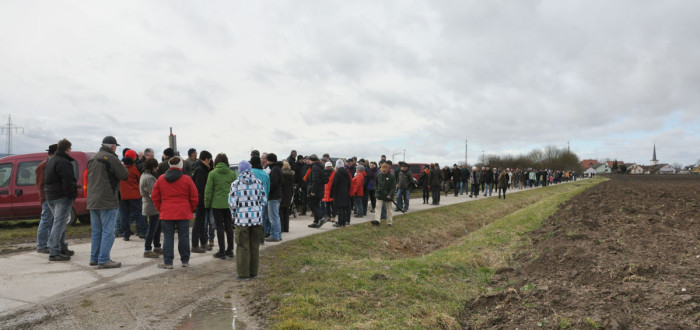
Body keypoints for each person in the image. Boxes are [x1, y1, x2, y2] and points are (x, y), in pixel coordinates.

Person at [87, 136, 129, 269]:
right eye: (116, 146)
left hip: (93, 198)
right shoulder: (111, 158)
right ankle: (104, 259)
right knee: (108, 231)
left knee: (96, 231)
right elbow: (124, 175)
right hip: (107, 198)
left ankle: (94, 258)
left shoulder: (92, 158)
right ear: (112, 146)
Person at [151, 157, 197, 268]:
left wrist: (160, 208)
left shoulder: (161, 179)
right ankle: (185, 261)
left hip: (167, 211)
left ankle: (168, 262)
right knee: (184, 236)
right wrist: (190, 208)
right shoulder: (187, 179)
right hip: (183, 211)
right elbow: (194, 197)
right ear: (181, 166)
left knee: (168, 237)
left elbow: (154, 196)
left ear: (169, 165)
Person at [229, 160, 266, 280]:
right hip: (257, 219)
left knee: (242, 246)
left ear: (240, 170)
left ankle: (243, 274)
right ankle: (254, 273)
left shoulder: (236, 184)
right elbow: (264, 201)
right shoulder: (258, 182)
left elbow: (232, 203)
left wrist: (234, 216)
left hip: (242, 220)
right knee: (254, 246)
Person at [44, 139, 76, 261]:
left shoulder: (51, 161)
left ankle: (62, 247)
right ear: (67, 149)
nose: (71, 151)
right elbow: (68, 181)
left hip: (50, 196)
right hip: (62, 197)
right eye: (70, 149)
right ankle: (54, 251)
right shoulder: (64, 162)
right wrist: (72, 194)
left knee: (60, 223)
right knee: (59, 224)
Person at [205, 153, 237, 259]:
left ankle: (222, 251)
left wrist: (207, 204)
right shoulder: (232, 174)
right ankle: (230, 250)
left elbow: (208, 191)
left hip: (217, 204)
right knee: (229, 227)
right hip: (229, 204)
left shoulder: (212, 174)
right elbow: (235, 190)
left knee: (219, 227)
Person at [35, 144, 57, 254]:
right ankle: (41, 245)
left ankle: (48, 244)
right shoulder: (44, 166)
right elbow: (40, 184)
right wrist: (45, 197)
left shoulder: (49, 164)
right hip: (47, 197)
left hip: (51, 197)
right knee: (46, 220)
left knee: (51, 221)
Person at [119, 149, 145, 240]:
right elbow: (140, 180)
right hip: (135, 195)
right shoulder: (135, 168)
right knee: (139, 214)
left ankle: (126, 235)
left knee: (124, 216)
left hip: (123, 195)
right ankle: (142, 232)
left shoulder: (120, 168)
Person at [191, 150, 213, 253]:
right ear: (206, 159)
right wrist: (204, 199)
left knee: (201, 222)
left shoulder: (199, 167)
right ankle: (195, 245)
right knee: (198, 222)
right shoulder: (200, 169)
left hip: (200, 199)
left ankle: (203, 243)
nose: (210, 163)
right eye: (209, 160)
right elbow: (200, 187)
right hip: (200, 200)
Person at [140, 158, 162, 258]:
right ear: (153, 167)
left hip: (149, 205)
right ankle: (147, 249)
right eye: (155, 166)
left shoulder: (144, 175)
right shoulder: (149, 178)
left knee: (157, 227)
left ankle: (157, 246)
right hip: (152, 206)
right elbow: (154, 193)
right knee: (153, 228)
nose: (156, 168)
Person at [265, 153, 283, 242]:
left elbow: (273, 183)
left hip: (273, 196)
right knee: (276, 216)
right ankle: (278, 234)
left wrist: (268, 191)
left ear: (270, 160)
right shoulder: (278, 168)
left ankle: (274, 235)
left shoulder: (275, 170)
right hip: (278, 195)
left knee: (273, 217)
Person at [307, 154, 327, 228]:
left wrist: (313, 191)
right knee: (316, 205)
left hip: (315, 190)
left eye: (309, 159)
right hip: (320, 189)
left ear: (312, 160)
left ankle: (321, 218)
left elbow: (315, 180)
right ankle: (316, 221)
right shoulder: (320, 167)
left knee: (312, 205)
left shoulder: (315, 168)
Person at [331, 159, 352, 227]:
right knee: (343, 208)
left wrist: (332, 194)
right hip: (345, 192)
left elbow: (334, 184)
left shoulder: (337, 174)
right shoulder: (347, 173)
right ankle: (343, 222)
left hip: (338, 193)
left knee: (340, 208)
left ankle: (340, 223)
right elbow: (349, 184)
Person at [280, 160, 295, 233]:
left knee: (281, 211)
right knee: (286, 211)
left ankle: (282, 227)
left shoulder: (282, 175)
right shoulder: (291, 174)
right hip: (289, 194)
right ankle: (286, 227)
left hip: (282, 194)